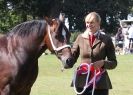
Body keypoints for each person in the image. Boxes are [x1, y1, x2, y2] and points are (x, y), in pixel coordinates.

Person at [71, 12, 117, 95]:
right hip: (82, 82)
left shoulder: (107, 39)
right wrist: (66, 58)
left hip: (100, 83)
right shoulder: (80, 38)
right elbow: (72, 58)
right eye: (87, 23)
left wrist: (103, 63)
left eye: (92, 22)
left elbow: (114, 63)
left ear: (98, 23)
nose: (89, 25)